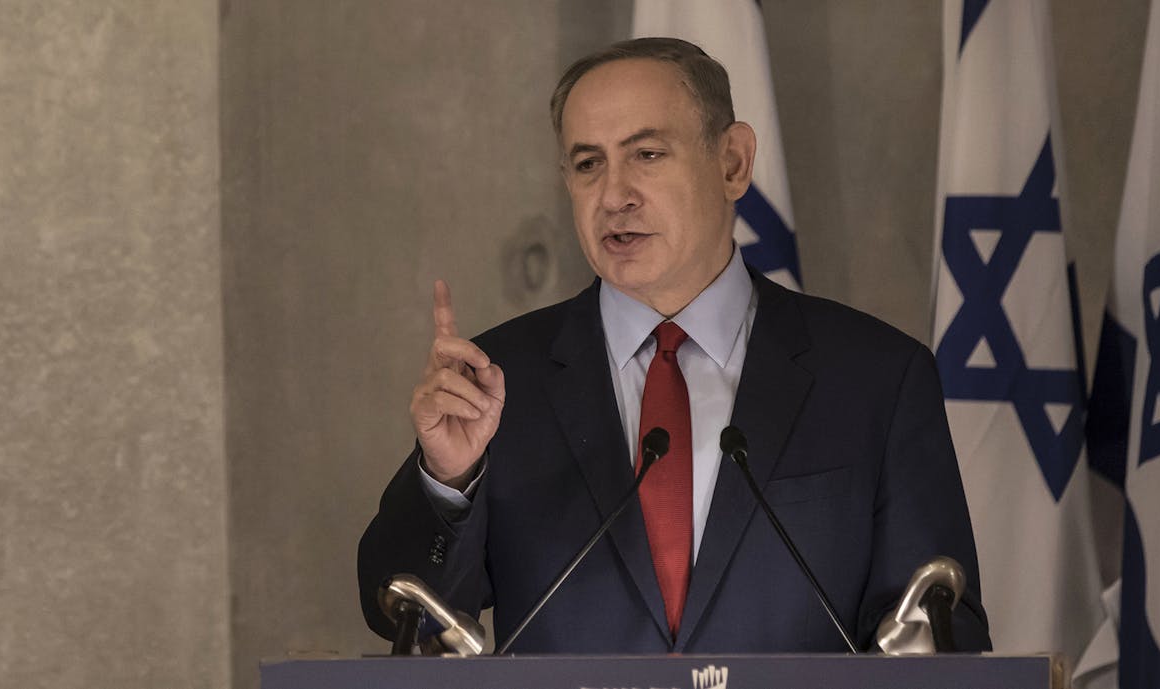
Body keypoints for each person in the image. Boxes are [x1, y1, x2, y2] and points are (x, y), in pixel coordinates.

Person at [358, 37, 991, 654]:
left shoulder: (876, 376)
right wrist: (449, 480)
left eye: (648, 154)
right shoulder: (500, 381)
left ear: (733, 163)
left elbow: (940, 631)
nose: (613, 196)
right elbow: (402, 617)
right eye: (587, 164)